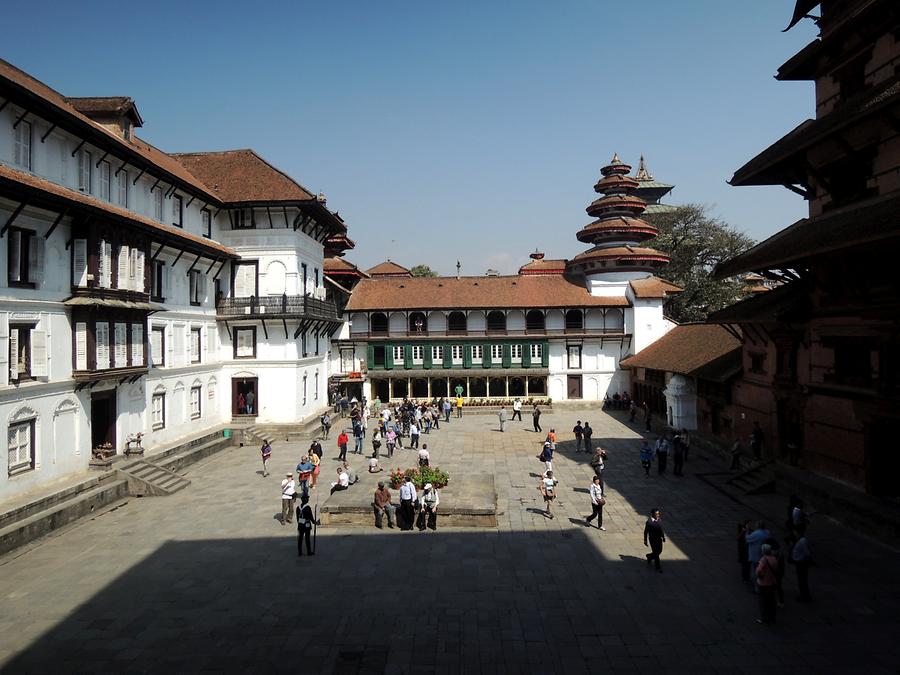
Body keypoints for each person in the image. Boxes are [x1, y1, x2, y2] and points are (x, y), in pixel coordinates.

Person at [756, 544, 780, 624]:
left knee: (763, 602)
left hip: (763, 584)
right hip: (772, 583)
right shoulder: (774, 558)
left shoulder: (764, 559)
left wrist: (760, 576)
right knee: (772, 601)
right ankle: (772, 617)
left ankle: (764, 618)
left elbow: (759, 570)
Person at [746, 521, 771, 593]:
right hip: (764, 555)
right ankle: (764, 586)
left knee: (755, 571)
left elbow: (748, 539)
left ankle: (757, 588)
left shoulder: (756, 533)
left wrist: (747, 531)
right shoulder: (767, 533)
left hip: (756, 555)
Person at [791, 524, 813, 602]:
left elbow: (807, 553)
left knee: (802, 580)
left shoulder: (802, 541)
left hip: (801, 564)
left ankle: (804, 596)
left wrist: (804, 560)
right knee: (802, 580)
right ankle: (804, 595)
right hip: (800, 563)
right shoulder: (801, 540)